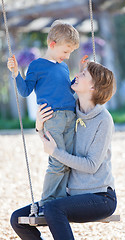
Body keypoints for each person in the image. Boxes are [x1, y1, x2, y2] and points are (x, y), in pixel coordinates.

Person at [10, 61, 117, 240]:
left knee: (53, 208)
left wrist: (56, 153)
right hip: (71, 196)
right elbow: (52, 144)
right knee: (17, 219)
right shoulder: (70, 111)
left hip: (101, 197)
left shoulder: (103, 119)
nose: (77, 75)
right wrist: (39, 127)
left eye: (83, 74)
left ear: (93, 86)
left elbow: (91, 165)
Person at [7, 20, 80, 215]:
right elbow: (25, 91)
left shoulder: (63, 67)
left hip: (70, 116)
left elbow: (67, 89)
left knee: (69, 160)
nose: (68, 56)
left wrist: (81, 75)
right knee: (57, 161)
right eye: (66, 51)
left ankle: (61, 202)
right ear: (52, 44)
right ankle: (47, 204)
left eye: (70, 52)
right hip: (52, 118)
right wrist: (16, 74)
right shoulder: (37, 65)